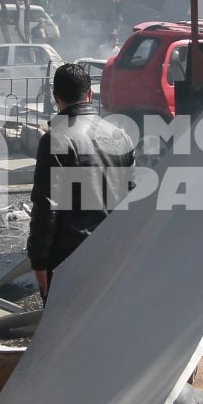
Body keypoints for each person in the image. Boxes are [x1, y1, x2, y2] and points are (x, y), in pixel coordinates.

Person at [27, 65, 136, 299]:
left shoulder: (56, 138)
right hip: (112, 253)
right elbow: (130, 200)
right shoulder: (121, 135)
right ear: (89, 95)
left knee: (64, 331)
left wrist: (39, 262)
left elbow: (46, 207)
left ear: (56, 97)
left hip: (70, 258)